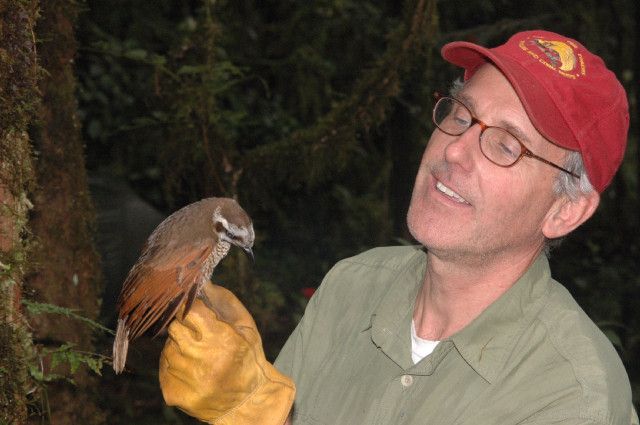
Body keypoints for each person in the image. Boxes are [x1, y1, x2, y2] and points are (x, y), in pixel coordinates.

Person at [158, 30, 637, 425]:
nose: (453, 150)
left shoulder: (570, 396)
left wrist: (251, 414)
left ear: (564, 211)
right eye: (462, 115)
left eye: (507, 145)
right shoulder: (353, 286)